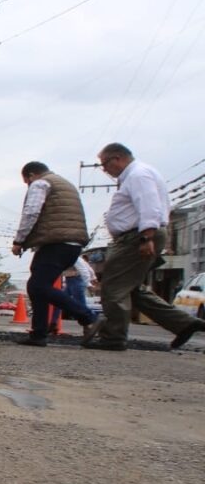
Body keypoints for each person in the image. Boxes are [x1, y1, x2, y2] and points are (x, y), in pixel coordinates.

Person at [86, 143, 205, 350]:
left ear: (117, 158)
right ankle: (184, 323)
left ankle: (113, 338)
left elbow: (149, 205)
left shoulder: (138, 175)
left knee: (114, 287)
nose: (105, 170)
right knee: (130, 289)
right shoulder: (139, 174)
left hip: (136, 237)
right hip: (137, 235)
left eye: (104, 164)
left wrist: (146, 237)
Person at [10, 161, 99, 347]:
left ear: (31, 175)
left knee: (38, 286)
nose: (28, 185)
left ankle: (88, 316)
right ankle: (39, 333)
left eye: (26, 181)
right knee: (37, 286)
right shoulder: (65, 184)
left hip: (56, 243)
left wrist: (19, 240)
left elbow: (31, 212)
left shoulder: (41, 183)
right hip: (72, 245)